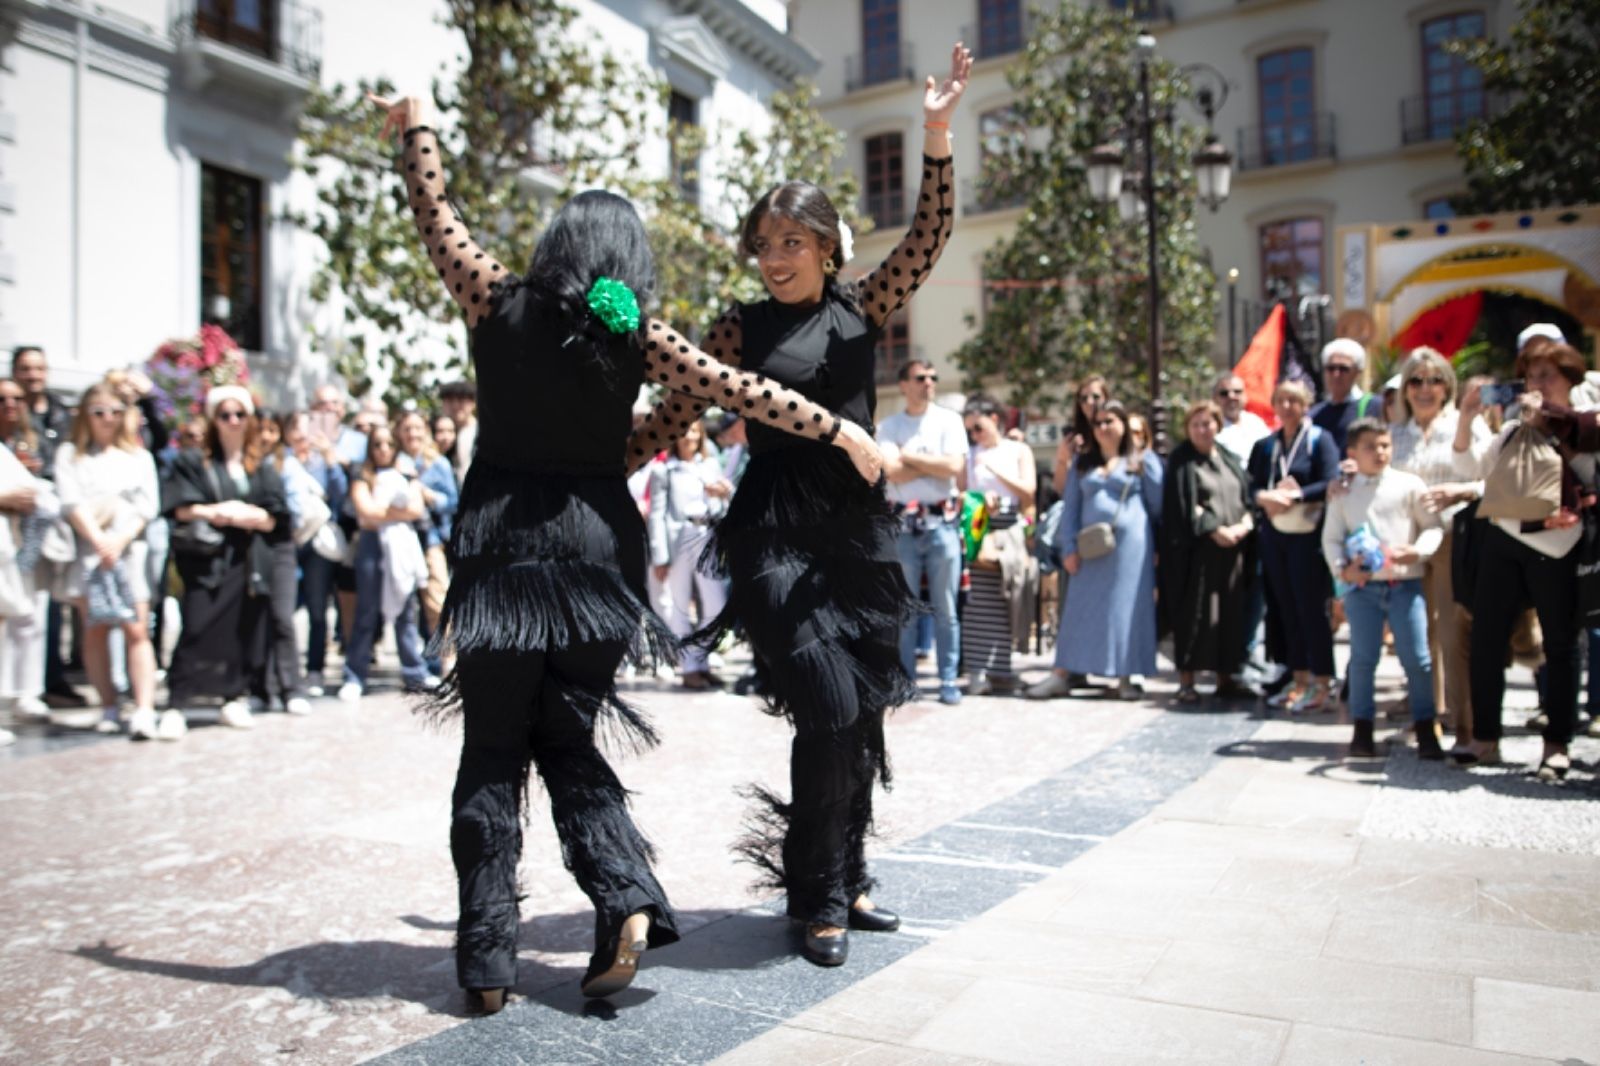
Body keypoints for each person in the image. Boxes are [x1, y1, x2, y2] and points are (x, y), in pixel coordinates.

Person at [375, 90, 878, 1007]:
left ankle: (487, 962)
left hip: (503, 548)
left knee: (493, 748)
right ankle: (624, 897)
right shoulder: (637, 335)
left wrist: (417, 131)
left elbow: (435, 216)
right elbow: (741, 390)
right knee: (565, 736)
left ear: (553, 247)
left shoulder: (493, 295)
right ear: (630, 263)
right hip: (600, 554)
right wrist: (840, 431)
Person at [625, 43, 971, 970]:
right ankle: (813, 893)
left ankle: (844, 873)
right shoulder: (741, 325)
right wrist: (580, 464)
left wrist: (935, 132)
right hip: (773, 534)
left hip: (858, 538)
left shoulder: (864, 307)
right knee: (823, 701)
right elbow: (677, 408)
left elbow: (930, 236)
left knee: (859, 716)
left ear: (826, 247)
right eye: (765, 244)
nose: (775, 258)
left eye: (792, 243)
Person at [1450, 339, 1591, 781]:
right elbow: (1472, 471)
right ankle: (1485, 738)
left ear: (1570, 379)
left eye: (1547, 375)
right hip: (1504, 540)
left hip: (1559, 545)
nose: (1536, 384)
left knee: (1561, 645)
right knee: (1488, 638)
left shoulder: (1587, 424)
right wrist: (1468, 416)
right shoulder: (1512, 430)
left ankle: (1557, 744)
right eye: (1530, 376)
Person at [162, 386, 287, 736]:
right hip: (207, 560)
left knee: (244, 629)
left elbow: (278, 516)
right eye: (225, 414)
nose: (232, 421)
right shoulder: (193, 461)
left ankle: (234, 697)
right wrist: (219, 512)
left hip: (247, 562)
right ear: (213, 420)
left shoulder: (260, 466)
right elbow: (177, 506)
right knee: (197, 625)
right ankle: (177, 701)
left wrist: (250, 515)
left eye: (239, 414)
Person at [1384, 348, 1490, 749]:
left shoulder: (1466, 427)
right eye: (1416, 380)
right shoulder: (1394, 435)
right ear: (1404, 389)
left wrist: (1461, 491)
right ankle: (1429, 716)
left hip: (1454, 542)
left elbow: (1492, 478)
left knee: (1452, 634)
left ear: (1447, 385)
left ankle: (1464, 724)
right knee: (1417, 637)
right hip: (1409, 546)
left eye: (1433, 380)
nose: (1425, 389)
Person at [1322, 418, 1443, 759]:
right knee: (1362, 660)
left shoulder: (1409, 485)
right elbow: (1331, 538)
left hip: (1405, 583)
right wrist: (1341, 570)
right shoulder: (1344, 492)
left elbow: (1431, 526)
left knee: (1418, 659)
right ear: (1353, 453)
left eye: (1385, 445)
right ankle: (1362, 728)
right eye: (1370, 447)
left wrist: (1418, 550)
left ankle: (1425, 727)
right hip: (1364, 588)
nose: (1379, 452)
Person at [1028, 400, 1162, 700]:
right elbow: (1071, 508)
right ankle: (1062, 673)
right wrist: (1069, 548)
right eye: (1098, 423)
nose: (1103, 428)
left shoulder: (1142, 461)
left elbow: (1158, 509)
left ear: (1124, 424)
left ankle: (1127, 675)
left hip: (1132, 549)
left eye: (1110, 421)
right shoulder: (1083, 462)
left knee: (1127, 608)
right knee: (1079, 609)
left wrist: (1160, 548)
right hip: (1089, 548)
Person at [53, 384, 161, 736]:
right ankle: (109, 704)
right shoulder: (71, 455)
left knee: (136, 627)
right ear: (86, 414)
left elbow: (147, 506)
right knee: (95, 627)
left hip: (127, 550)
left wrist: (119, 539)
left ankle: (144, 706)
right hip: (91, 553)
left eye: (115, 411)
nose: (107, 419)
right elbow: (70, 503)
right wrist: (99, 541)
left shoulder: (138, 457)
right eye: (99, 412)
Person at [878, 359, 967, 705]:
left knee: (946, 608)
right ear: (904, 384)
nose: (928, 383)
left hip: (942, 525)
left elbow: (954, 468)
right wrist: (930, 465)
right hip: (903, 527)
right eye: (920, 378)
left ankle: (948, 680)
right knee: (906, 609)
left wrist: (909, 457)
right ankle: (907, 681)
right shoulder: (888, 425)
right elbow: (891, 473)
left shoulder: (950, 421)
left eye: (932, 377)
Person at [1249, 381, 1340, 712]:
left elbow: (1330, 481)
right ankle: (1298, 679)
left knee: (1311, 609)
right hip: (1275, 535)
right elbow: (1251, 485)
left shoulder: (1319, 440)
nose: (1287, 406)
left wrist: (1296, 495)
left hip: (1307, 536)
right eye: (1281, 400)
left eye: (1294, 400)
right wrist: (1265, 497)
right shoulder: (1266, 446)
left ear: (1306, 405)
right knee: (1285, 607)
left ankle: (1322, 680)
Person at [1159, 401, 1255, 704]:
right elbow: (1185, 506)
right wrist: (1215, 529)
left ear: (1218, 425)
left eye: (1208, 423)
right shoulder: (1182, 460)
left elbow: (1246, 496)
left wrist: (1243, 525)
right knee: (1195, 616)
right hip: (1196, 556)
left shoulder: (1229, 458)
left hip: (1233, 553)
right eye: (1196, 424)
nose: (1203, 429)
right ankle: (1187, 680)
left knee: (1229, 615)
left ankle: (1226, 677)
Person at [338, 423, 432, 700]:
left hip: (400, 546)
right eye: (377, 444)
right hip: (371, 545)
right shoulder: (360, 472)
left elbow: (416, 509)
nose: (383, 450)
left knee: (405, 611)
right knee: (366, 612)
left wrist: (384, 513)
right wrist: (394, 512)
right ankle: (354, 674)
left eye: (388, 444)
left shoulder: (406, 471)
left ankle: (415, 671)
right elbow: (365, 513)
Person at [12, 345, 81, 708]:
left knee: (47, 605)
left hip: (50, 522)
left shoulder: (60, 414)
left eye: (38, 368)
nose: (32, 375)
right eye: (25, 368)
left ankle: (47, 679)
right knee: (17, 605)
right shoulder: (13, 416)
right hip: (17, 522)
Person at [958, 394, 1037, 695]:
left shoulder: (1018, 450)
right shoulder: (968, 454)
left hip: (1011, 530)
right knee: (979, 604)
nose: (974, 435)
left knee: (1010, 599)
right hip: (979, 530)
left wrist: (993, 470)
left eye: (977, 427)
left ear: (994, 419)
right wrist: (977, 502)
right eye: (970, 431)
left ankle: (1002, 670)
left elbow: (1028, 491)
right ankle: (977, 671)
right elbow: (961, 492)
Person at [647, 418, 731, 689]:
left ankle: (703, 659)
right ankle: (689, 666)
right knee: (679, 604)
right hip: (679, 537)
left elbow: (723, 505)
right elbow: (657, 514)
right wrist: (660, 556)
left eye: (694, 430)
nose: (688, 436)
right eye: (683, 431)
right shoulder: (664, 470)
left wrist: (723, 495)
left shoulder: (711, 465)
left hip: (706, 534)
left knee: (715, 603)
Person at [282, 411, 347, 694]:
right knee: (282, 610)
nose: (303, 439)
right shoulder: (281, 461)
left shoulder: (322, 463)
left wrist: (331, 461)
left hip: (317, 544)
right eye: (298, 432)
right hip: (286, 542)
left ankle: (315, 669)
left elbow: (340, 495)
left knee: (317, 610)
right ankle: (281, 670)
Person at [256, 412, 314, 716]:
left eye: (271, 430)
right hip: (252, 549)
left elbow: (296, 513)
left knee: (282, 616)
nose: (266, 436)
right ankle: (264, 688)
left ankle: (293, 686)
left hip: (280, 547)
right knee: (258, 619)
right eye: (261, 429)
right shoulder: (247, 463)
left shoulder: (286, 465)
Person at [396, 409, 458, 650]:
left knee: (436, 599)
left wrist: (430, 497)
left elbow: (453, 502)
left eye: (418, 428)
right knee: (404, 605)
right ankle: (415, 664)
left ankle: (446, 658)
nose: (413, 434)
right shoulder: (394, 461)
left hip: (430, 538)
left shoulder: (438, 463)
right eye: (407, 429)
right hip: (399, 537)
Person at [1311, 338, 1380, 456]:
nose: (1336, 374)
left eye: (1343, 369)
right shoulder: (1315, 414)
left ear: (1358, 372)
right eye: (1331, 368)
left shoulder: (1375, 406)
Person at [1213, 372, 1271, 467]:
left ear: (1245, 396)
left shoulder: (1256, 423)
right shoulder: (1210, 427)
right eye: (1224, 393)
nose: (1231, 397)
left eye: (1237, 392)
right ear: (1215, 398)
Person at [440, 380, 478, 482]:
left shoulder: (480, 432)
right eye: (450, 400)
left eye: (461, 400)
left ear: (473, 403)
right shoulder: (436, 432)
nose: (455, 405)